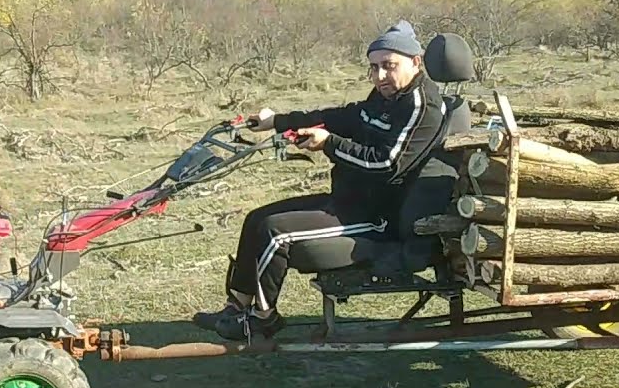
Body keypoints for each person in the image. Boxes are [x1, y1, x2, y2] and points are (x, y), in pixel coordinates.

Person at [194, 20, 456, 341]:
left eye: (389, 66)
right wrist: (277, 121)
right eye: (373, 68)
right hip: (349, 202)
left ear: (416, 62)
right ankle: (237, 307)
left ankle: (262, 319)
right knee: (256, 219)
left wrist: (328, 143)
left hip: (378, 218)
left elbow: (386, 164)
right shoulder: (386, 96)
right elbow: (343, 116)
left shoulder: (421, 106)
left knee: (274, 234)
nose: (380, 76)